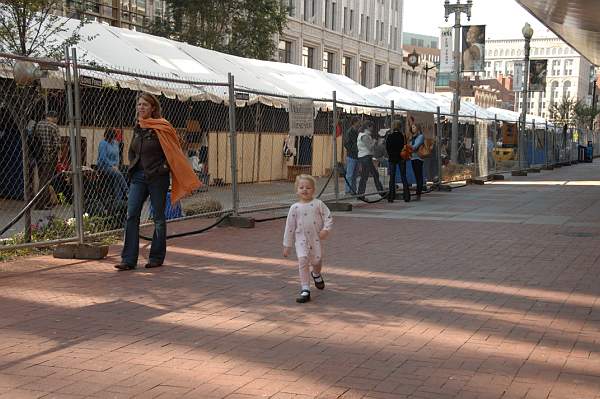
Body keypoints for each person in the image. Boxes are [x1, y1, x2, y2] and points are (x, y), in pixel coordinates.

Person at [116, 93, 201, 271]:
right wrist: (132, 165)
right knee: (132, 215)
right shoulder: (138, 126)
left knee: (158, 218)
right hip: (138, 177)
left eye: (145, 105)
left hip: (157, 178)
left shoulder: (163, 127)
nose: (141, 108)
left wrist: (161, 169)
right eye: (139, 105)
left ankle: (156, 257)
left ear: (153, 108)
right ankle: (128, 259)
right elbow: (132, 151)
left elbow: (173, 153)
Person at [283, 174, 333, 303]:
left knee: (317, 261)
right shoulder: (294, 208)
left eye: (308, 188)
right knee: (303, 260)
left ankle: (316, 274)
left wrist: (326, 230)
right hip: (301, 240)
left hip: (315, 239)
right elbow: (290, 227)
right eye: (301, 187)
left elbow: (328, 217)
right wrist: (287, 245)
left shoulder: (318, 204)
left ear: (313, 190)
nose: (305, 190)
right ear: (297, 190)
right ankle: (305, 288)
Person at [33, 111, 60, 210]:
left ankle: (45, 201)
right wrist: (56, 156)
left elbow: (35, 139)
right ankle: (41, 204)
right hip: (49, 158)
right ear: (53, 118)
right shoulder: (54, 127)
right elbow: (57, 144)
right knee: (46, 181)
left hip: (39, 157)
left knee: (42, 179)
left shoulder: (39, 124)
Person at [97, 128, 128, 201]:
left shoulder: (116, 143)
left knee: (116, 178)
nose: (111, 140)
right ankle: (127, 191)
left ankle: (118, 200)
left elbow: (117, 156)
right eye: (109, 138)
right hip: (103, 166)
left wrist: (116, 165)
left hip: (114, 167)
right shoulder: (103, 143)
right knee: (118, 174)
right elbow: (103, 158)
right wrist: (112, 165)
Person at [356, 120, 384, 199]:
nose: (373, 128)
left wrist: (378, 143)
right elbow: (370, 147)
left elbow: (371, 147)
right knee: (375, 174)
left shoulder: (365, 135)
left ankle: (360, 194)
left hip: (365, 157)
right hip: (365, 157)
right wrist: (375, 141)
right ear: (368, 127)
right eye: (371, 127)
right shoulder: (364, 136)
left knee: (364, 176)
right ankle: (381, 191)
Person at [385, 120, 410, 203]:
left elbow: (387, 147)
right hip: (401, 158)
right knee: (403, 176)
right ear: (400, 126)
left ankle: (391, 197)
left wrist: (391, 154)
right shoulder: (403, 136)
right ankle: (406, 196)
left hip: (392, 158)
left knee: (392, 177)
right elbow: (405, 146)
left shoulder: (389, 136)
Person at [343, 117, 361, 194]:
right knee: (350, 174)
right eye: (358, 122)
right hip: (351, 156)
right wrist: (354, 149)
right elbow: (346, 143)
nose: (360, 123)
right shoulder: (350, 132)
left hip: (356, 155)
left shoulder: (357, 131)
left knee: (355, 175)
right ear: (354, 122)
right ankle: (348, 190)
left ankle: (353, 190)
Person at [408, 123, 425, 201]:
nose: (412, 128)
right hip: (413, 158)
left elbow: (415, 147)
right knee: (416, 176)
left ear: (418, 128)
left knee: (419, 176)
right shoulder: (412, 137)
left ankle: (418, 194)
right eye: (412, 127)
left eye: (414, 127)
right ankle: (418, 194)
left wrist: (409, 147)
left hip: (418, 158)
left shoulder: (420, 136)